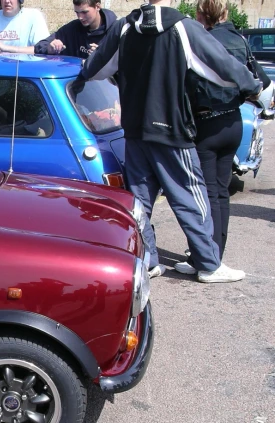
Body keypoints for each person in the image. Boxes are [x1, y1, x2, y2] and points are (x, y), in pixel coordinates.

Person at [81, 0, 261, 283]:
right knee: (191, 195)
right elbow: (223, 67)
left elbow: (93, 69)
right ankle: (209, 264)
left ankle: (149, 260)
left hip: (135, 130)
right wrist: (254, 86)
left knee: (139, 202)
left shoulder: (124, 27)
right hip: (172, 130)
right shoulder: (183, 27)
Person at [173, 0, 271, 278]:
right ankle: (214, 255)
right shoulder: (238, 39)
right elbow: (260, 80)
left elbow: (185, 84)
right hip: (234, 120)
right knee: (220, 192)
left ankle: (205, 259)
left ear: (201, 14)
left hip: (207, 124)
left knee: (203, 194)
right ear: (225, 12)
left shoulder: (199, 41)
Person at [34, 0, 117, 59]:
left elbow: (123, 64)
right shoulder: (73, 28)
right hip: (73, 82)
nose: (80, 17)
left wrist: (103, 56)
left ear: (97, 7)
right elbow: (40, 46)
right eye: (77, 12)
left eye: (84, 12)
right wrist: (49, 48)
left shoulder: (116, 30)